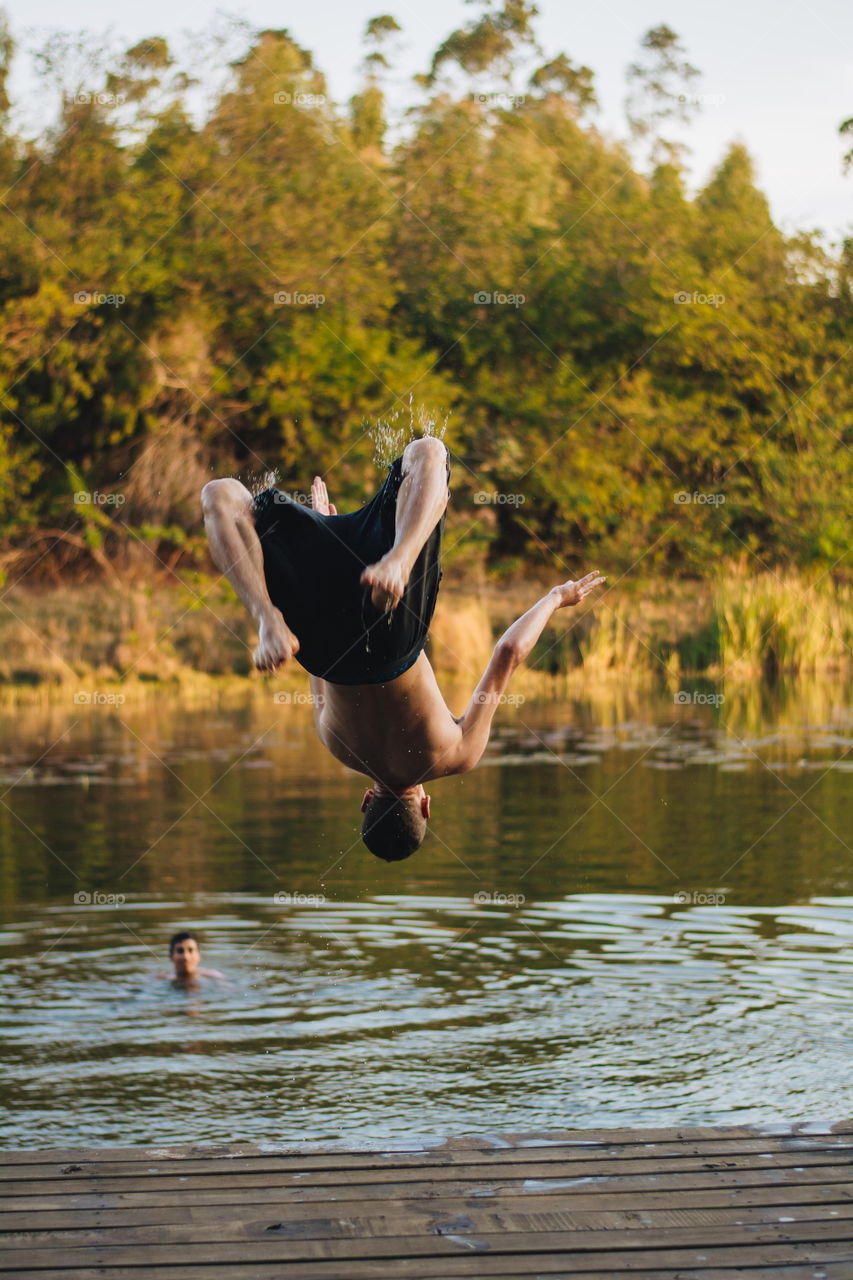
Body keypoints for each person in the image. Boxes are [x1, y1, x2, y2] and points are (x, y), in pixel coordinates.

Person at [201, 438, 604, 862]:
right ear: (364, 801)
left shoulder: (457, 756)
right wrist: (320, 531)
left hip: (396, 641)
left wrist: (558, 597)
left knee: (429, 452)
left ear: (426, 807)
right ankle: (266, 617)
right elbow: (320, 657)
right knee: (221, 496)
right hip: (322, 648)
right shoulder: (335, 744)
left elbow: (508, 652)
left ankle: (401, 556)